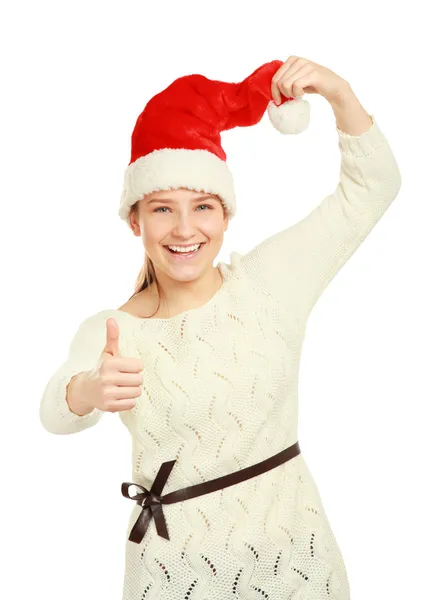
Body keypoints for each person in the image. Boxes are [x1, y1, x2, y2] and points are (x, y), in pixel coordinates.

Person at [39, 57, 401, 600]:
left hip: (294, 559)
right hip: (171, 572)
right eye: (162, 209)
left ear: (225, 214)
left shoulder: (270, 285)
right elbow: (54, 412)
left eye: (202, 206)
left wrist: (338, 91)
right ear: (135, 220)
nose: (185, 230)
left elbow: (372, 188)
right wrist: (85, 391)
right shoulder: (113, 330)